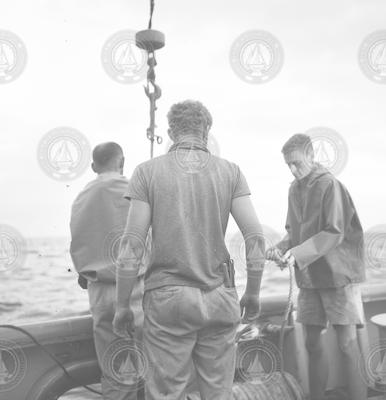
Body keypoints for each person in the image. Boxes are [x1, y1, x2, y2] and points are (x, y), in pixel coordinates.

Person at [112, 100, 265, 400]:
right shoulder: (231, 172)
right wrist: (254, 292)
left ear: (171, 132)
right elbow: (256, 237)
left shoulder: (146, 172)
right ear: (207, 130)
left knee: (167, 394)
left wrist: (121, 306)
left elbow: (132, 245)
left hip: (168, 301)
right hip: (221, 297)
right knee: (218, 393)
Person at [267, 133, 366, 400]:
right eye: (288, 164)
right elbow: (293, 233)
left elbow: (334, 232)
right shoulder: (293, 190)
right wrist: (281, 248)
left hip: (339, 277)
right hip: (310, 279)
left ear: (312, 156)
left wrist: (296, 254)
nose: (292, 169)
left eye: (297, 162)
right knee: (311, 343)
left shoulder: (330, 185)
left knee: (347, 345)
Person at [70, 142, 145, 400]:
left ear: (93, 166)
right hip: (138, 290)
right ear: (122, 161)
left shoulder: (80, 198)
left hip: (100, 295)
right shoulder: (135, 190)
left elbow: (79, 247)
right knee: (155, 370)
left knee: (116, 375)